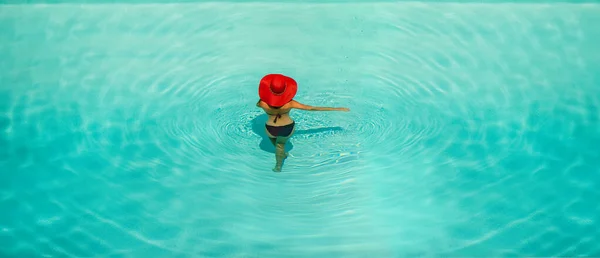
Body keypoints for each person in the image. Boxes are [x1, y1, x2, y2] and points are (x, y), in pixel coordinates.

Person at [256, 74, 350, 172]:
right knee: (280, 145)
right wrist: (337, 108)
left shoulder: (262, 103)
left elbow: (258, 104)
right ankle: (279, 165)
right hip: (287, 128)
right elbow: (311, 108)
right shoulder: (290, 103)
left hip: (270, 128)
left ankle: (280, 157)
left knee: (277, 145)